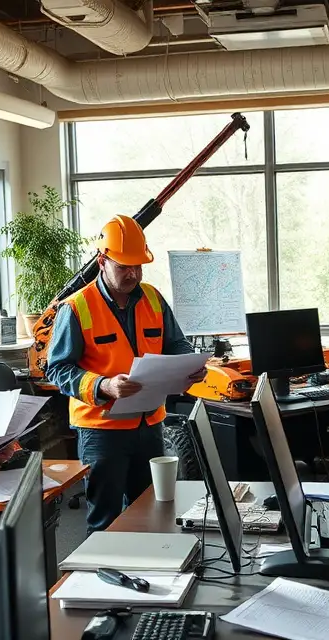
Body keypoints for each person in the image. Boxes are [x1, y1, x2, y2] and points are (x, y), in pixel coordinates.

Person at [45, 215, 206, 532]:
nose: (133, 273)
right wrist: (103, 385)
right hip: (102, 429)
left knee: (152, 510)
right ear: (102, 261)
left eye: (138, 266)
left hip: (150, 425)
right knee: (105, 520)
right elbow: (57, 368)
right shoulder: (76, 307)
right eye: (124, 267)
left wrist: (189, 364)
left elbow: (176, 343)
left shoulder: (153, 298)